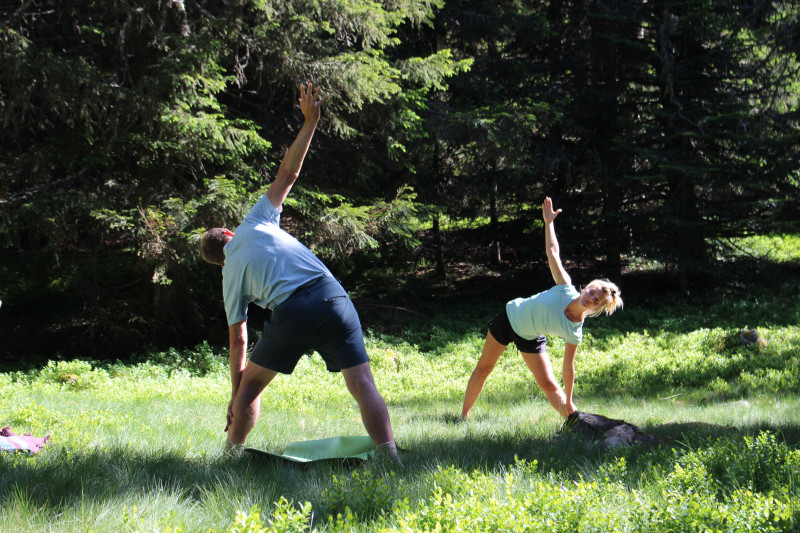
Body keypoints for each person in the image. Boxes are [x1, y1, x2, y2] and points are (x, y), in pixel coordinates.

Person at [200, 83, 398, 460]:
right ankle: (391, 458)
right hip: (333, 293)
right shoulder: (254, 221)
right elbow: (288, 173)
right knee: (361, 383)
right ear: (229, 233)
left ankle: (231, 457)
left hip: (292, 309)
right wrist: (310, 122)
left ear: (218, 261)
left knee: (251, 385)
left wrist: (236, 394)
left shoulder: (229, 276)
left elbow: (238, 340)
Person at [461, 196, 623, 421]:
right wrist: (549, 223)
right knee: (483, 369)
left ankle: (575, 424)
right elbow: (553, 253)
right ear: (586, 287)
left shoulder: (575, 330)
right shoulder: (565, 288)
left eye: (596, 301)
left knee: (549, 385)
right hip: (510, 317)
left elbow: (569, 368)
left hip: (530, 336)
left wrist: (569, 399)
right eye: (592, 292)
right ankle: (463, 417)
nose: (591, 298)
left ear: (597, 308)